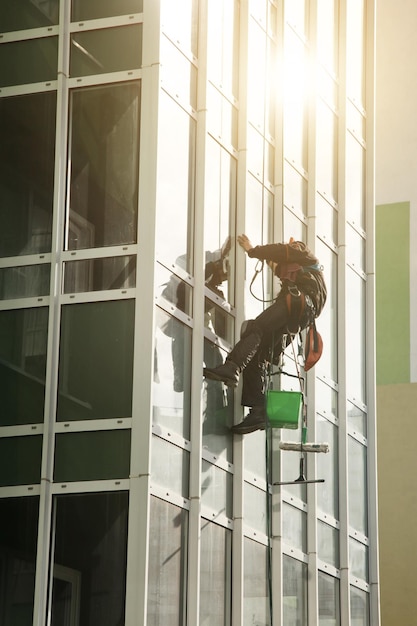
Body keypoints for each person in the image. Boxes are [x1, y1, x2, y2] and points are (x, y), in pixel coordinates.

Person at [203, 234, 327, 434]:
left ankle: (232, 367)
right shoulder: (303, 272)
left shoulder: (302, 252)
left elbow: (281, 251)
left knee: (256, 327)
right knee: (258, 354)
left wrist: (253, 251)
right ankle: (258, 409)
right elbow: (277, 266)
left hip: (298, 303)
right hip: (300, 313)